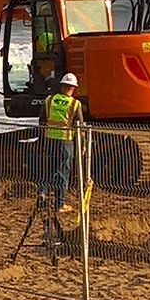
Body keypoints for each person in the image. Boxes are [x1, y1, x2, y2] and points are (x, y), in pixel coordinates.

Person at [40, 72, 84, 211]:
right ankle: (60, 204)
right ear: (73, 88)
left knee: (49, 167)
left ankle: (42, 192)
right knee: (63, 172)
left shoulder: (49, 100)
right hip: (65, 141)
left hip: (49, 139)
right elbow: (80, 127)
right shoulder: (75, 104)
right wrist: (82, 145)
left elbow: (42, 120)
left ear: (61, 86)